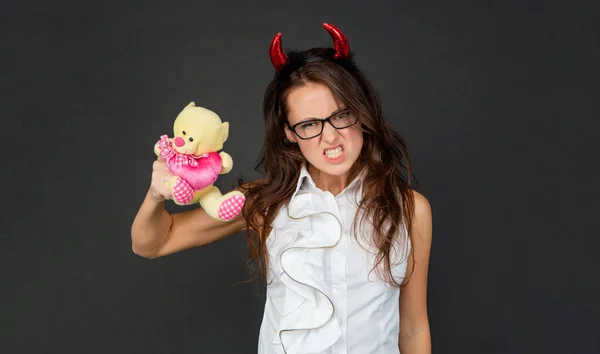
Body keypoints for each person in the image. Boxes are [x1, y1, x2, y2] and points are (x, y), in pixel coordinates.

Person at [131, 22, 432, 354]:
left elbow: (414, 327)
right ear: (289, 132)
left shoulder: (409, 209)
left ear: (361, 114)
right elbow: (153, 244)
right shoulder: (266, 203)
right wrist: (155, 196)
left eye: (341, 115)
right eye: (309, 125)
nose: (330, 137)